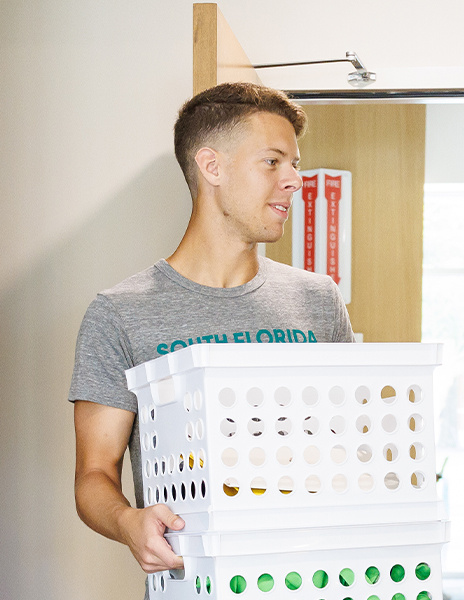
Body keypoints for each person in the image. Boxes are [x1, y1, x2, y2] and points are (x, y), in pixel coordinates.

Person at [68, 82, 355, 574]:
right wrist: (128, 522)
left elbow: (347, 444)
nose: (294, 180)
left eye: (295, 165)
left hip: (313, 577)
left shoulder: (318, 300)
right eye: (273, 161)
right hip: (198, 582)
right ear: (212, 166)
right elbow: (94, 474)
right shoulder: (120, 314)